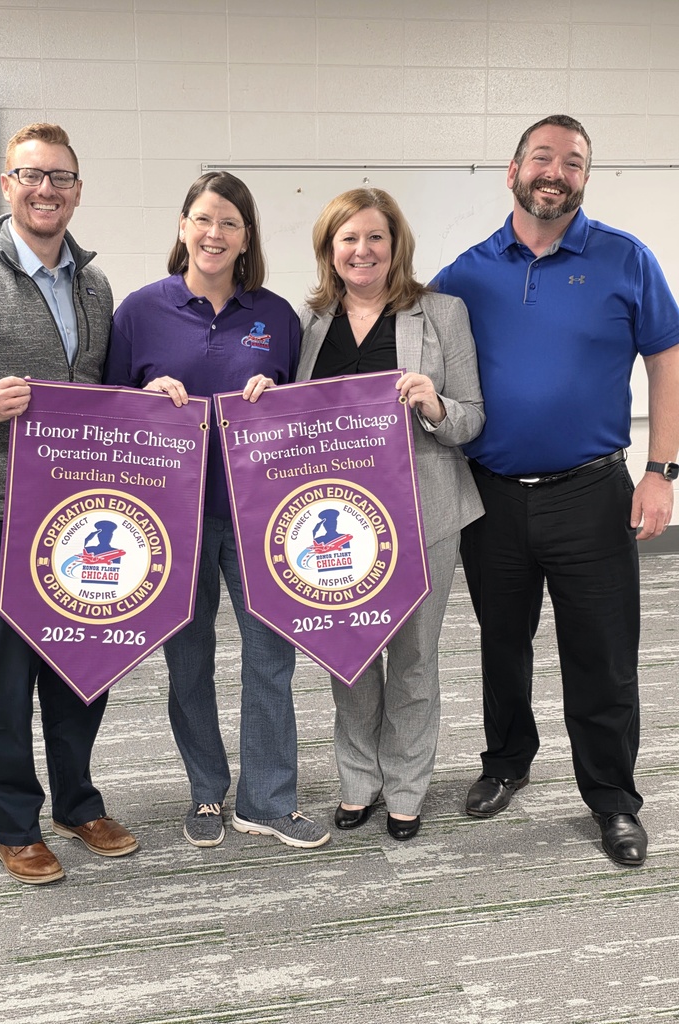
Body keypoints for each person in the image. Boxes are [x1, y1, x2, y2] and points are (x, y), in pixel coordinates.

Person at [432, 114, 679, 867]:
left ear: (584, 179)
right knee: (501, 644)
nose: (556, 171)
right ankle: (507, 761)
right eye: (542, 157)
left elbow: (667, 361)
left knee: (603, 656)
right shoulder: (464, 275)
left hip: (592, 493)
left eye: (573, 162)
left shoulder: (626, 259)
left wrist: (662, 471)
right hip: (492, 496)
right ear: (512, 172)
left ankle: (612, 798)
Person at [0, 123, 138, 885]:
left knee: (81, 665)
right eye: (32, 176)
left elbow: (102, 393)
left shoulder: (95, 285)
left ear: (77, 190)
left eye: (60, 178)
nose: (46, 190)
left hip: (80, 517)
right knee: (5, 682)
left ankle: (77, 803)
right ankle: (13, 825)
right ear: (9, 185)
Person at [104, 171, 330, 850]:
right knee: (189, 661)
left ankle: (268, 800)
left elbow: (307, 418)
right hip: (174, 519)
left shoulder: (277, 317)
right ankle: (205, 790)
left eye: (230, 222)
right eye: (203, 219)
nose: (214, 233)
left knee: (271, 660)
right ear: (182, 227)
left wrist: (276, 398)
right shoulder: (140, 312)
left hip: (261, 516)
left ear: (246, 237)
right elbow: (108, 417)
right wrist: (147, 401)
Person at [297, 188, 485, 841]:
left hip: (422, 514)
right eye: (348, 238)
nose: (363, 250)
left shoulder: (441, 313)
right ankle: (358, 780)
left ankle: (406, 786)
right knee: (347, 653)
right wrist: (264, 398)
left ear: (396, 244)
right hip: (336, 521)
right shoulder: (309, 321)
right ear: (330, 249)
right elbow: (291, 421)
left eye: (375, 236)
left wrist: (435, 404)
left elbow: (471, 419)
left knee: (412, 659)